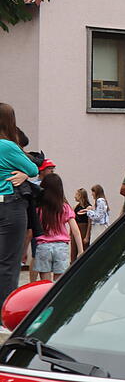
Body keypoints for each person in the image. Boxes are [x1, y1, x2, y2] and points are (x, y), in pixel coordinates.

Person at [0, 103, 39, 303]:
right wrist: (24, 174)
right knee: (8, 263)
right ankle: (3, 315)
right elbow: (33, 169)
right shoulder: (7, 146)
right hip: (9, 205)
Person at [35, 173, 83, 281]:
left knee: (45, 283)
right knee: (58, 283)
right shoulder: (64, 207)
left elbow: (30, 230)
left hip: (43, 246)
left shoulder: (38, 208)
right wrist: (80, 250)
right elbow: (75, 230)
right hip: (61, 247)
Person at [72, 188, 91, 261]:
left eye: (76, 194)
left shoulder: (88, 207)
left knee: (84, 249)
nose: (75, 196)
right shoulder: (75, 207)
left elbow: (89, 223)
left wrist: (87, 236)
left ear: (81, 195)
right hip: (76, 229)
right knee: (73, 251)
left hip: (84, 229)